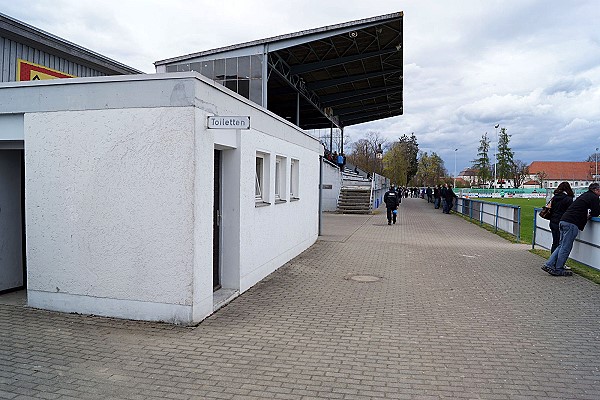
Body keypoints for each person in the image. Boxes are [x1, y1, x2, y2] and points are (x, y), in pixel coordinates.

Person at [543, 182, 600, 276]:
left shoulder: (585, 195)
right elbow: (596, 212)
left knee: (561, 245)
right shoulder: (593, 197)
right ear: (596, 190)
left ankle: (549, 264)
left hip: (563, 220)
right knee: (565, 247)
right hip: (572, 223)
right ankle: (558, 268)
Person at [548, 182, 575, 253]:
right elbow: (571, 211)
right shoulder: (568, 199)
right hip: (562, 221)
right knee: (561, 244)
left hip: (553, 220)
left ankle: (552, 260)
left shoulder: (554, 197)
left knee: (555, 242)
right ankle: (556, 261)